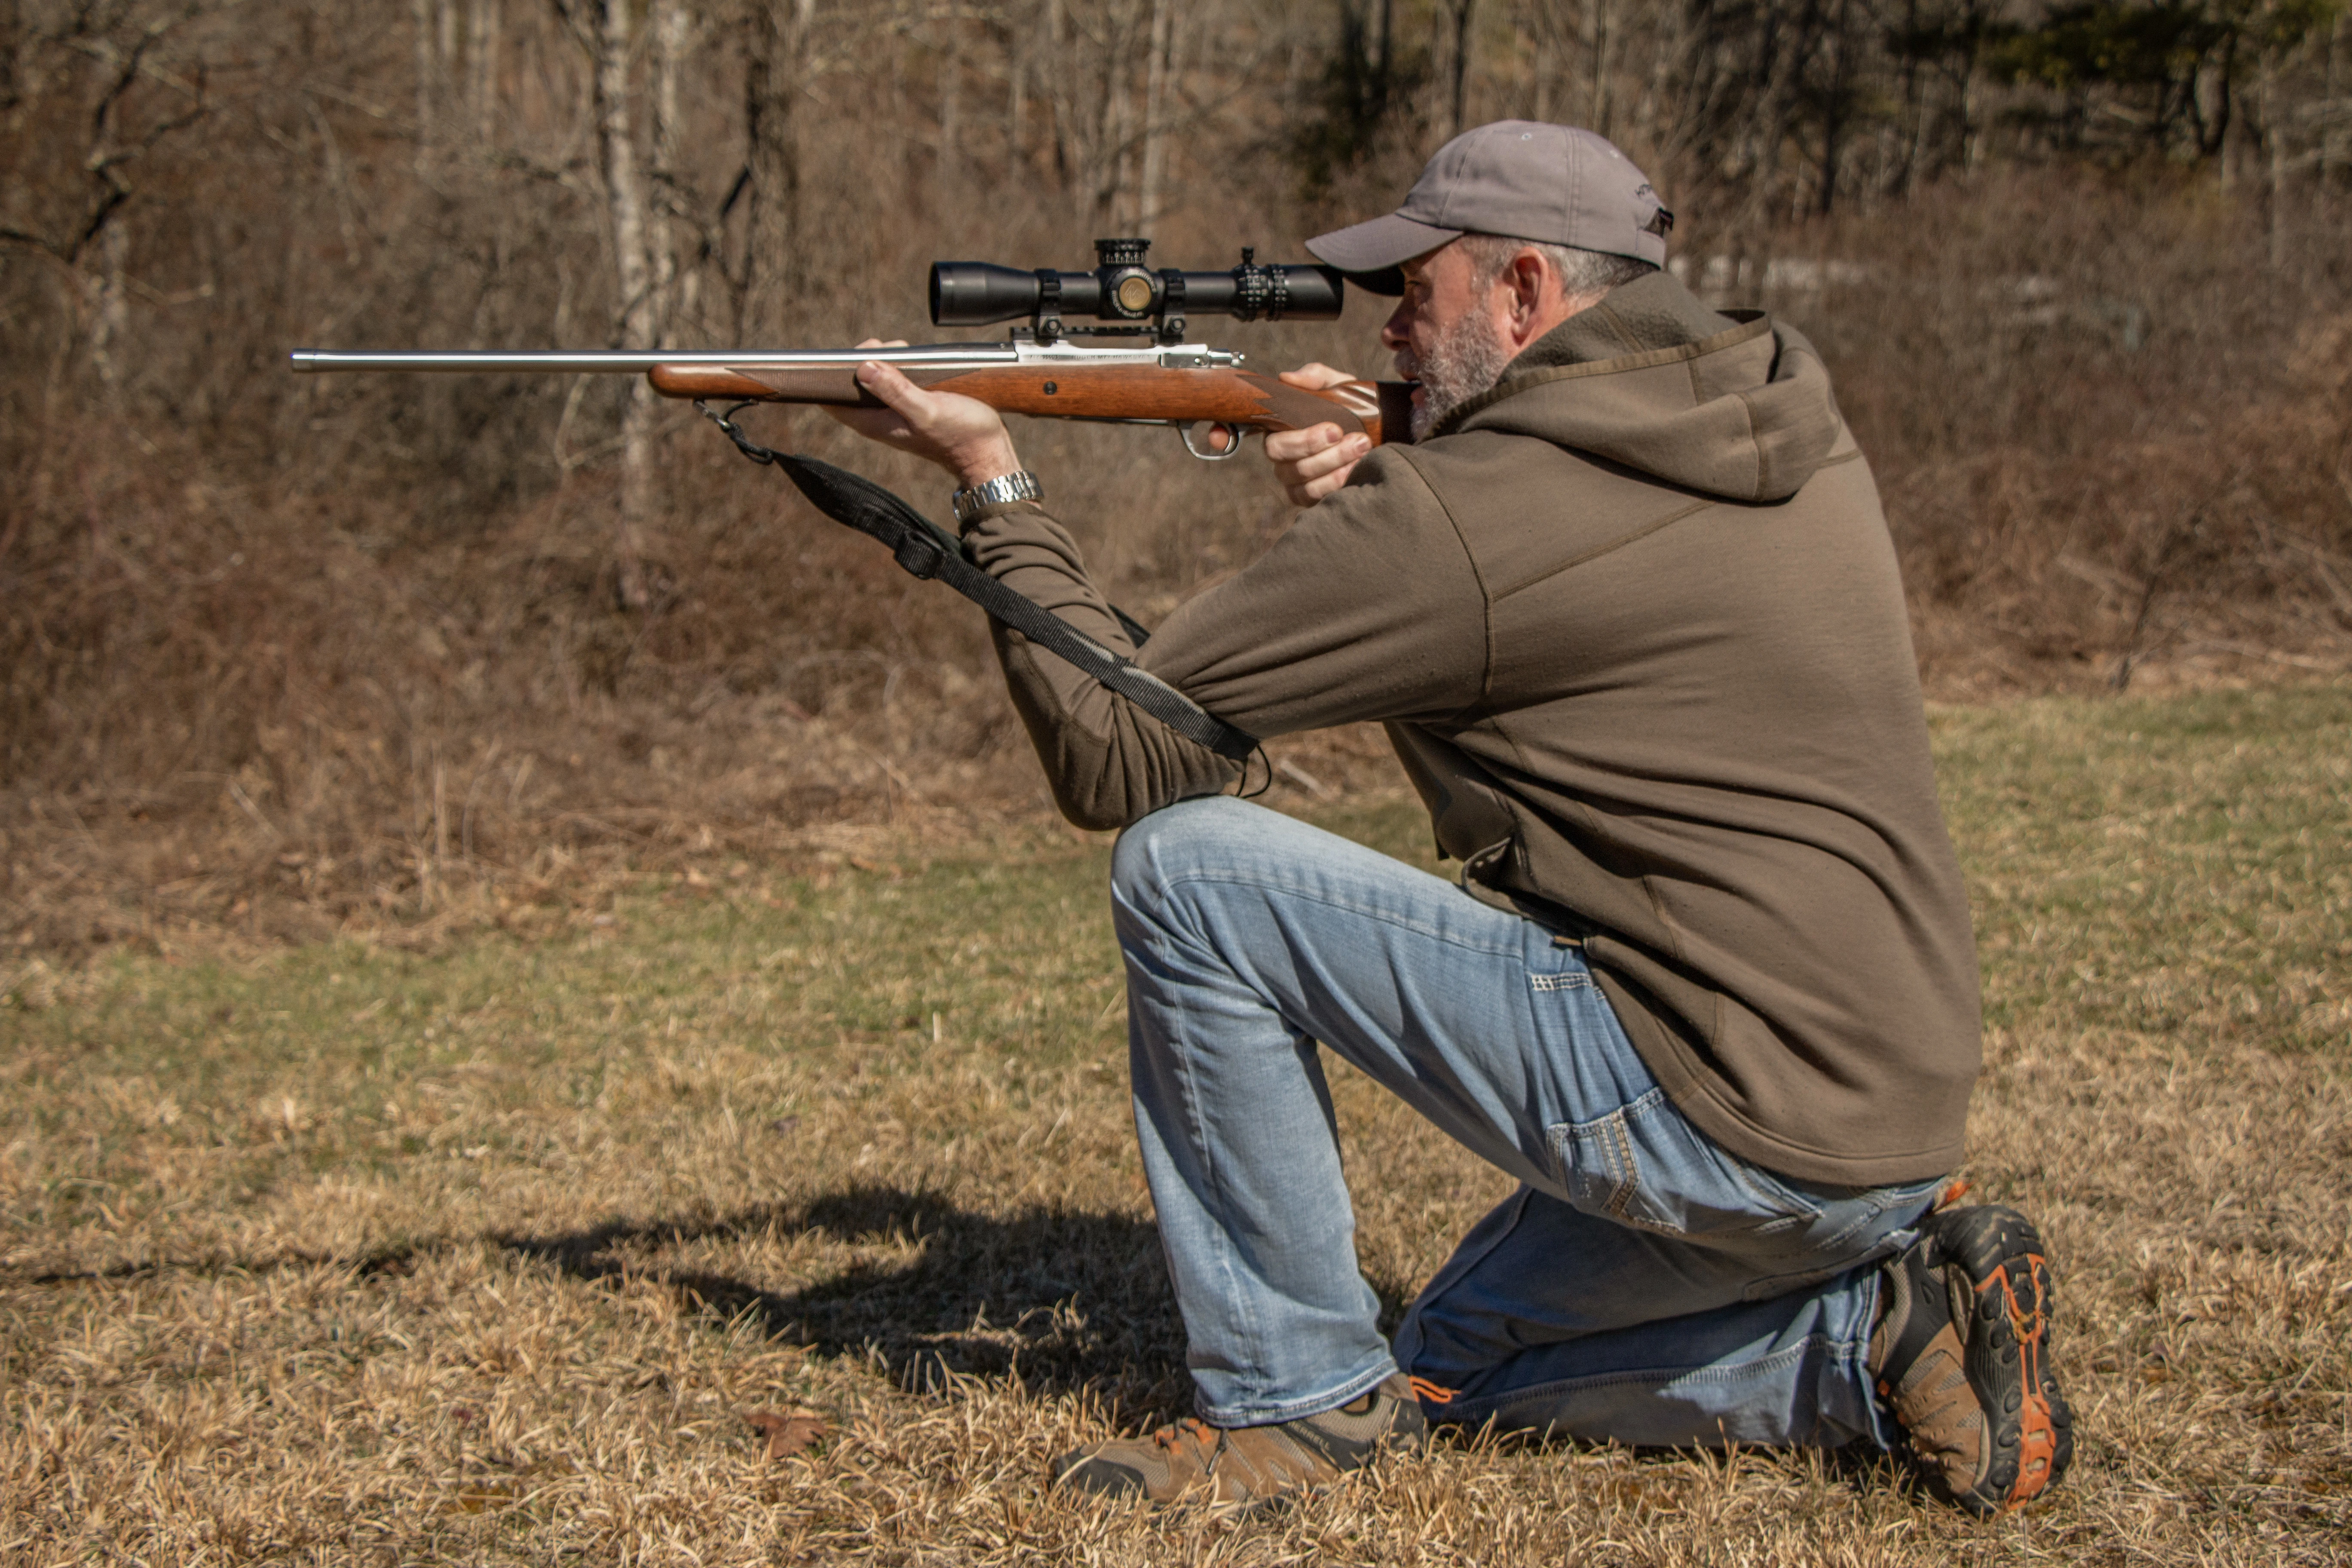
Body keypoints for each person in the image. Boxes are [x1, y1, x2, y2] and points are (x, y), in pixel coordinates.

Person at [826, 121, 2072, 1517]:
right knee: (1445, 1362)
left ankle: (1290, 1412)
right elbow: (1569, 550)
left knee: (1188, 870)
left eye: (1418, 291)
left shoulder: (1459, 525)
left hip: (1725, 1110)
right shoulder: (1780, 417)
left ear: (1525, 290)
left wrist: (992, 476)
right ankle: (1877, 1340)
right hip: (1882, 1123)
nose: (1392, 328)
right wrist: (1377, 456)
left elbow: (1119, 751)